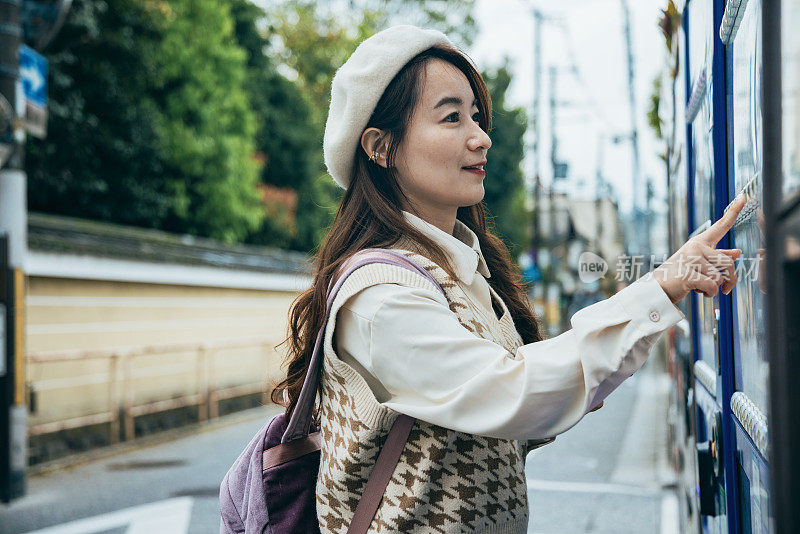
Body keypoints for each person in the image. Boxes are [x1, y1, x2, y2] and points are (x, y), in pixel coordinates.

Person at [271, 25, 746, 533]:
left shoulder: (458, 271)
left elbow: (518, 417)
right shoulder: (381, 298)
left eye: (476, 115)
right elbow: (514, 391)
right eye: (451, 117)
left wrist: (600, 361)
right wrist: (660, 288)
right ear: (380, 146)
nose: (481, 137)